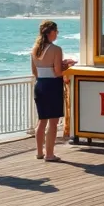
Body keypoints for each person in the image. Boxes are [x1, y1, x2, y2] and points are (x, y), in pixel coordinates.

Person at [32, 20, 76, 162]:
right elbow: (57, 72)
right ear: (51, 32)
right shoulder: (56, 49)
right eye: (56, 31)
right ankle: (49, 154)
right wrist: (67, 67)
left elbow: (35, 72)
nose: (57, 34)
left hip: (40, 85)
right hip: (52, 86)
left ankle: (39, 152)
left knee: (41, 120)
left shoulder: (35, 49)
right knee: (53, 122)